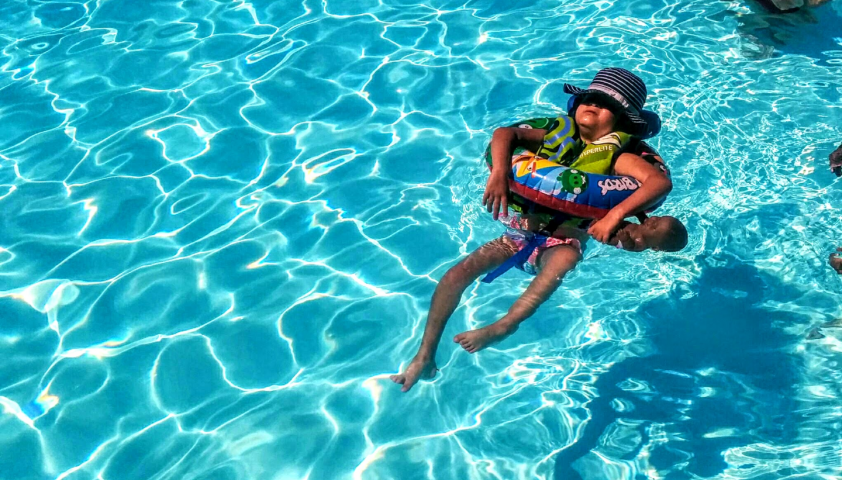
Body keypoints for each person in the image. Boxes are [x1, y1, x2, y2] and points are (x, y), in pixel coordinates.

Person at [391, 68, 688, 392]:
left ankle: (505, 325)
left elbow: (659, 182)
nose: (592, 106)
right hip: (517, 234)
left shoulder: (618, 156)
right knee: (455, 276)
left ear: (621, 122)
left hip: (565, 239)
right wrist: (500, 172)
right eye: (589, 98)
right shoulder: (556, 134)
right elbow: (506, 134)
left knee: (558, 267)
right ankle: (424, 355)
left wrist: (614, 215)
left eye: (605, 106)